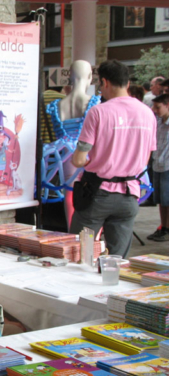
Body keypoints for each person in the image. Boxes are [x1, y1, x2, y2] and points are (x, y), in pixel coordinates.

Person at [70, 60, 157, 257]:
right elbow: (146, 158)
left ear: (105, 82)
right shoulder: (147, 113)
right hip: (130, 195)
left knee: (79, 254)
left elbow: (78, 159)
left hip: (97, 193)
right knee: (118, 261)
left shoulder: (99, 112)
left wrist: (89, 161)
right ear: (127, 83)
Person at [45, 60, 101, 230]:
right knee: (92, 197)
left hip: (63, 156)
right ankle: (92, 239)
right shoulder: (94, 103)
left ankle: (72, 233)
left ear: (70, 76)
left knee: (69, 196)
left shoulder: (57, 105)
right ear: (90, 77)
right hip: (86, 155)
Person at [148, 94, 169, 241]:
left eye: (158, 107)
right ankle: (163, 226)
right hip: (157, 164)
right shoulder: (158, 122)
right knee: (161, 200)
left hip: (168, 165)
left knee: (168, 199)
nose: (155, 110)